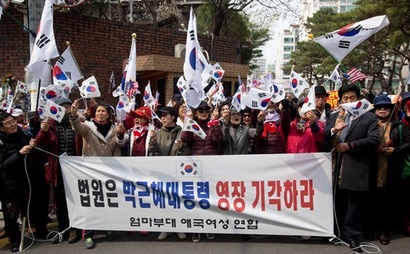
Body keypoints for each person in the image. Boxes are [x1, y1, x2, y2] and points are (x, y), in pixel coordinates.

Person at [324, 84, 379, 253]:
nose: (349, 101)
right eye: (345, 98)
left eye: (352, 98)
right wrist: (334, 130)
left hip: (356, 165)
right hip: (335, 165)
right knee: (336, 199)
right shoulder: (334, 116)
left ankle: (352, 234)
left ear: (358, 99)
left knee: (353, 202)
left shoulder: (368, 117)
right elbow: (325, 136)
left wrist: (351, 146)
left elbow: (374, 139)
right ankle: (337, 231)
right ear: (340, 100)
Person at [70, 99, 121, 249]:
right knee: (91, 202)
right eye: (98, 111)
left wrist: (118, 168)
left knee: (107, 200)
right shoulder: (88, 127)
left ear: (109, 114)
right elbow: (78, 126)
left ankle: (108, 228)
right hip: (90, 171)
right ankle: (89, 234)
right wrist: (74, 114)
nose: (100, 113)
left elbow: (116, 149)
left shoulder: (115, 129)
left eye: (103, 111)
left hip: (108, 171)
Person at [36, 97, 82, 244]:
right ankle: (64, 228)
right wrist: (42, 132)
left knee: (76, 199)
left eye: (68, 106)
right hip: (58, 169)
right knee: (61, 200)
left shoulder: (77, 124)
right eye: (62, 107)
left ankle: (76, 228)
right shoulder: (50, 126)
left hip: (76, 169)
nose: (66, 109)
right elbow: (40, 145)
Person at [370, 95, 410, 245]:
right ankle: (370, 229)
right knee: (372, 200)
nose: (382, 110)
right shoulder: (369, 124)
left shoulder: (399, 125)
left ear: (391, 109)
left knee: (387, 201)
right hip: (372, 168)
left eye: (385, 107)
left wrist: (395, 150)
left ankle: (384, 231)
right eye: (379, 107)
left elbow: (408, 143)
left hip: (392, 169)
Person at [180, 101, 222, 242]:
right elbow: (184, 139)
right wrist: (189, 121)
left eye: (206, 110)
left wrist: (215, 122)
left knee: (210, 199)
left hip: (211, 165)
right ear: (196, 112)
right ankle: (196, 230)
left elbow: (218, 138)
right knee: (197, 199)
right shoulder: (193, 124)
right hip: (195, 167)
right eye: (201, 110)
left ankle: (209, 228)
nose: (204, 112)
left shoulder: (213, 124)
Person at [148, 106, 189, 240]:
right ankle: (166, 228)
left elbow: (188, 151)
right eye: (162, 116)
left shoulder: (182, 131)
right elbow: (152, 150)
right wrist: (152, 140)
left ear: (173, 116)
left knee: (178, 200)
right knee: (164, 201)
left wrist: (182, 147)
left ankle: (179, 227)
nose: (163, 118)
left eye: (165, 115)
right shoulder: (158, 132)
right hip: (163, 172)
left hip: (178, 171)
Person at [0, 110, 37, 252]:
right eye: (8, 123)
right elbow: (2, 165)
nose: (13, 124)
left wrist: (32, 145)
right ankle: (14, 240)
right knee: (11, 214)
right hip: (8, 184)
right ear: (1, 128)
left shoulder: (23, 135)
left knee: (28, 209)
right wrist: (19, 154)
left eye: (13, 121)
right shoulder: (1, 141)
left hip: (26, 180)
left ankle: (34, 230)